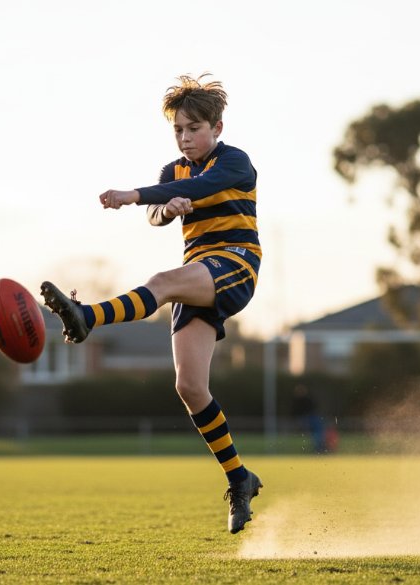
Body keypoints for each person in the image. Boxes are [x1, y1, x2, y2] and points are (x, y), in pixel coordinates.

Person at [40, 74, 262, 534]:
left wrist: (131, 195)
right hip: (198, 274)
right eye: (178, 130)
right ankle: (240, 479)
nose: (185, 137)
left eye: (193, 128)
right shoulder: (172, 171)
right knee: (190, 388)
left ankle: (86, 317)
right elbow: (158, 214)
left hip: (235, 265)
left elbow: (199, 190)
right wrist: (164, 208)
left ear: (217, 128)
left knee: (161, 281)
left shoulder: (235, 161)